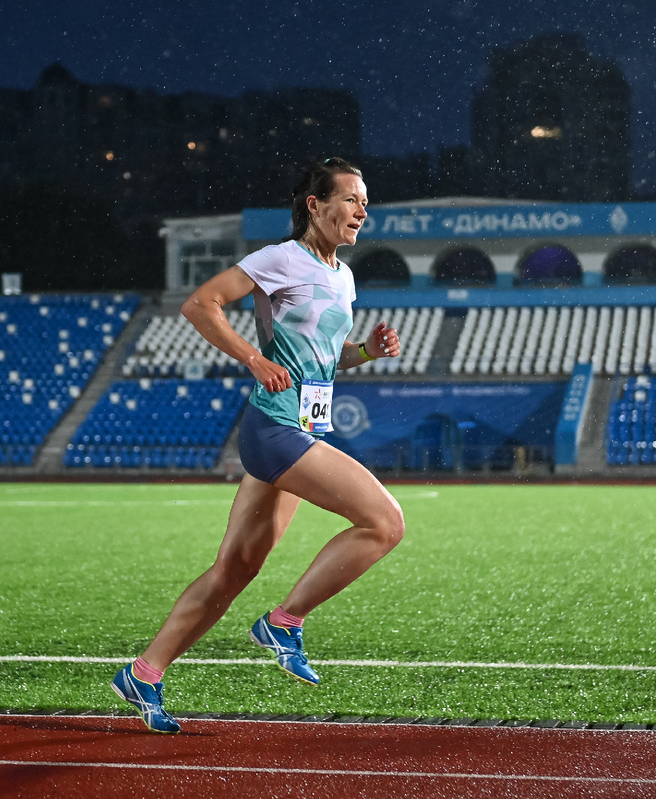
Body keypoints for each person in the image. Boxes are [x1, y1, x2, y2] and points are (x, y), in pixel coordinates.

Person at [112, 157, 404, 734]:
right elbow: (200, 304)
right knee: (384, 523)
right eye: (349, 199)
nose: (361, 211)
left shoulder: (342, 275)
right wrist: (253, 357)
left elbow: (323, 355)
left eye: (365, 201)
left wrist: (365, 352)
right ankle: (285, 622)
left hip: (303, 426)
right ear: (314, 205)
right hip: (276, 429)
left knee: (234, 569)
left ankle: (144, 673)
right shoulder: (280, 259)